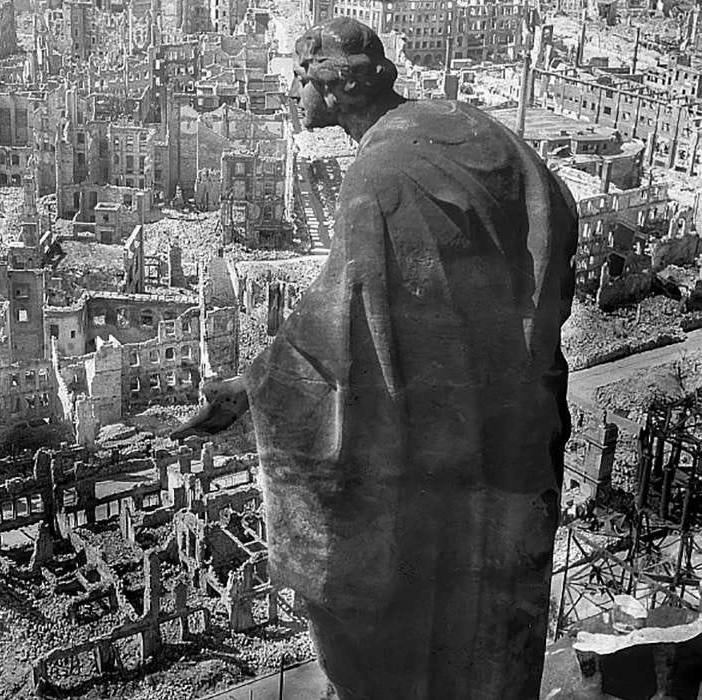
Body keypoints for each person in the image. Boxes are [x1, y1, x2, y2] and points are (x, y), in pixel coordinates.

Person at [173, 17, 578, 700]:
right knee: (492, 632)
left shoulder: (377, 179)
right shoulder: (468, 128)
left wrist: (250, 389)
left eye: (298, 77)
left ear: (336, 86)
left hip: (440, 456)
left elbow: (342, 334)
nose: (289, 93)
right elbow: (551, 214)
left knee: (410, 634)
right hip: (514, 430)